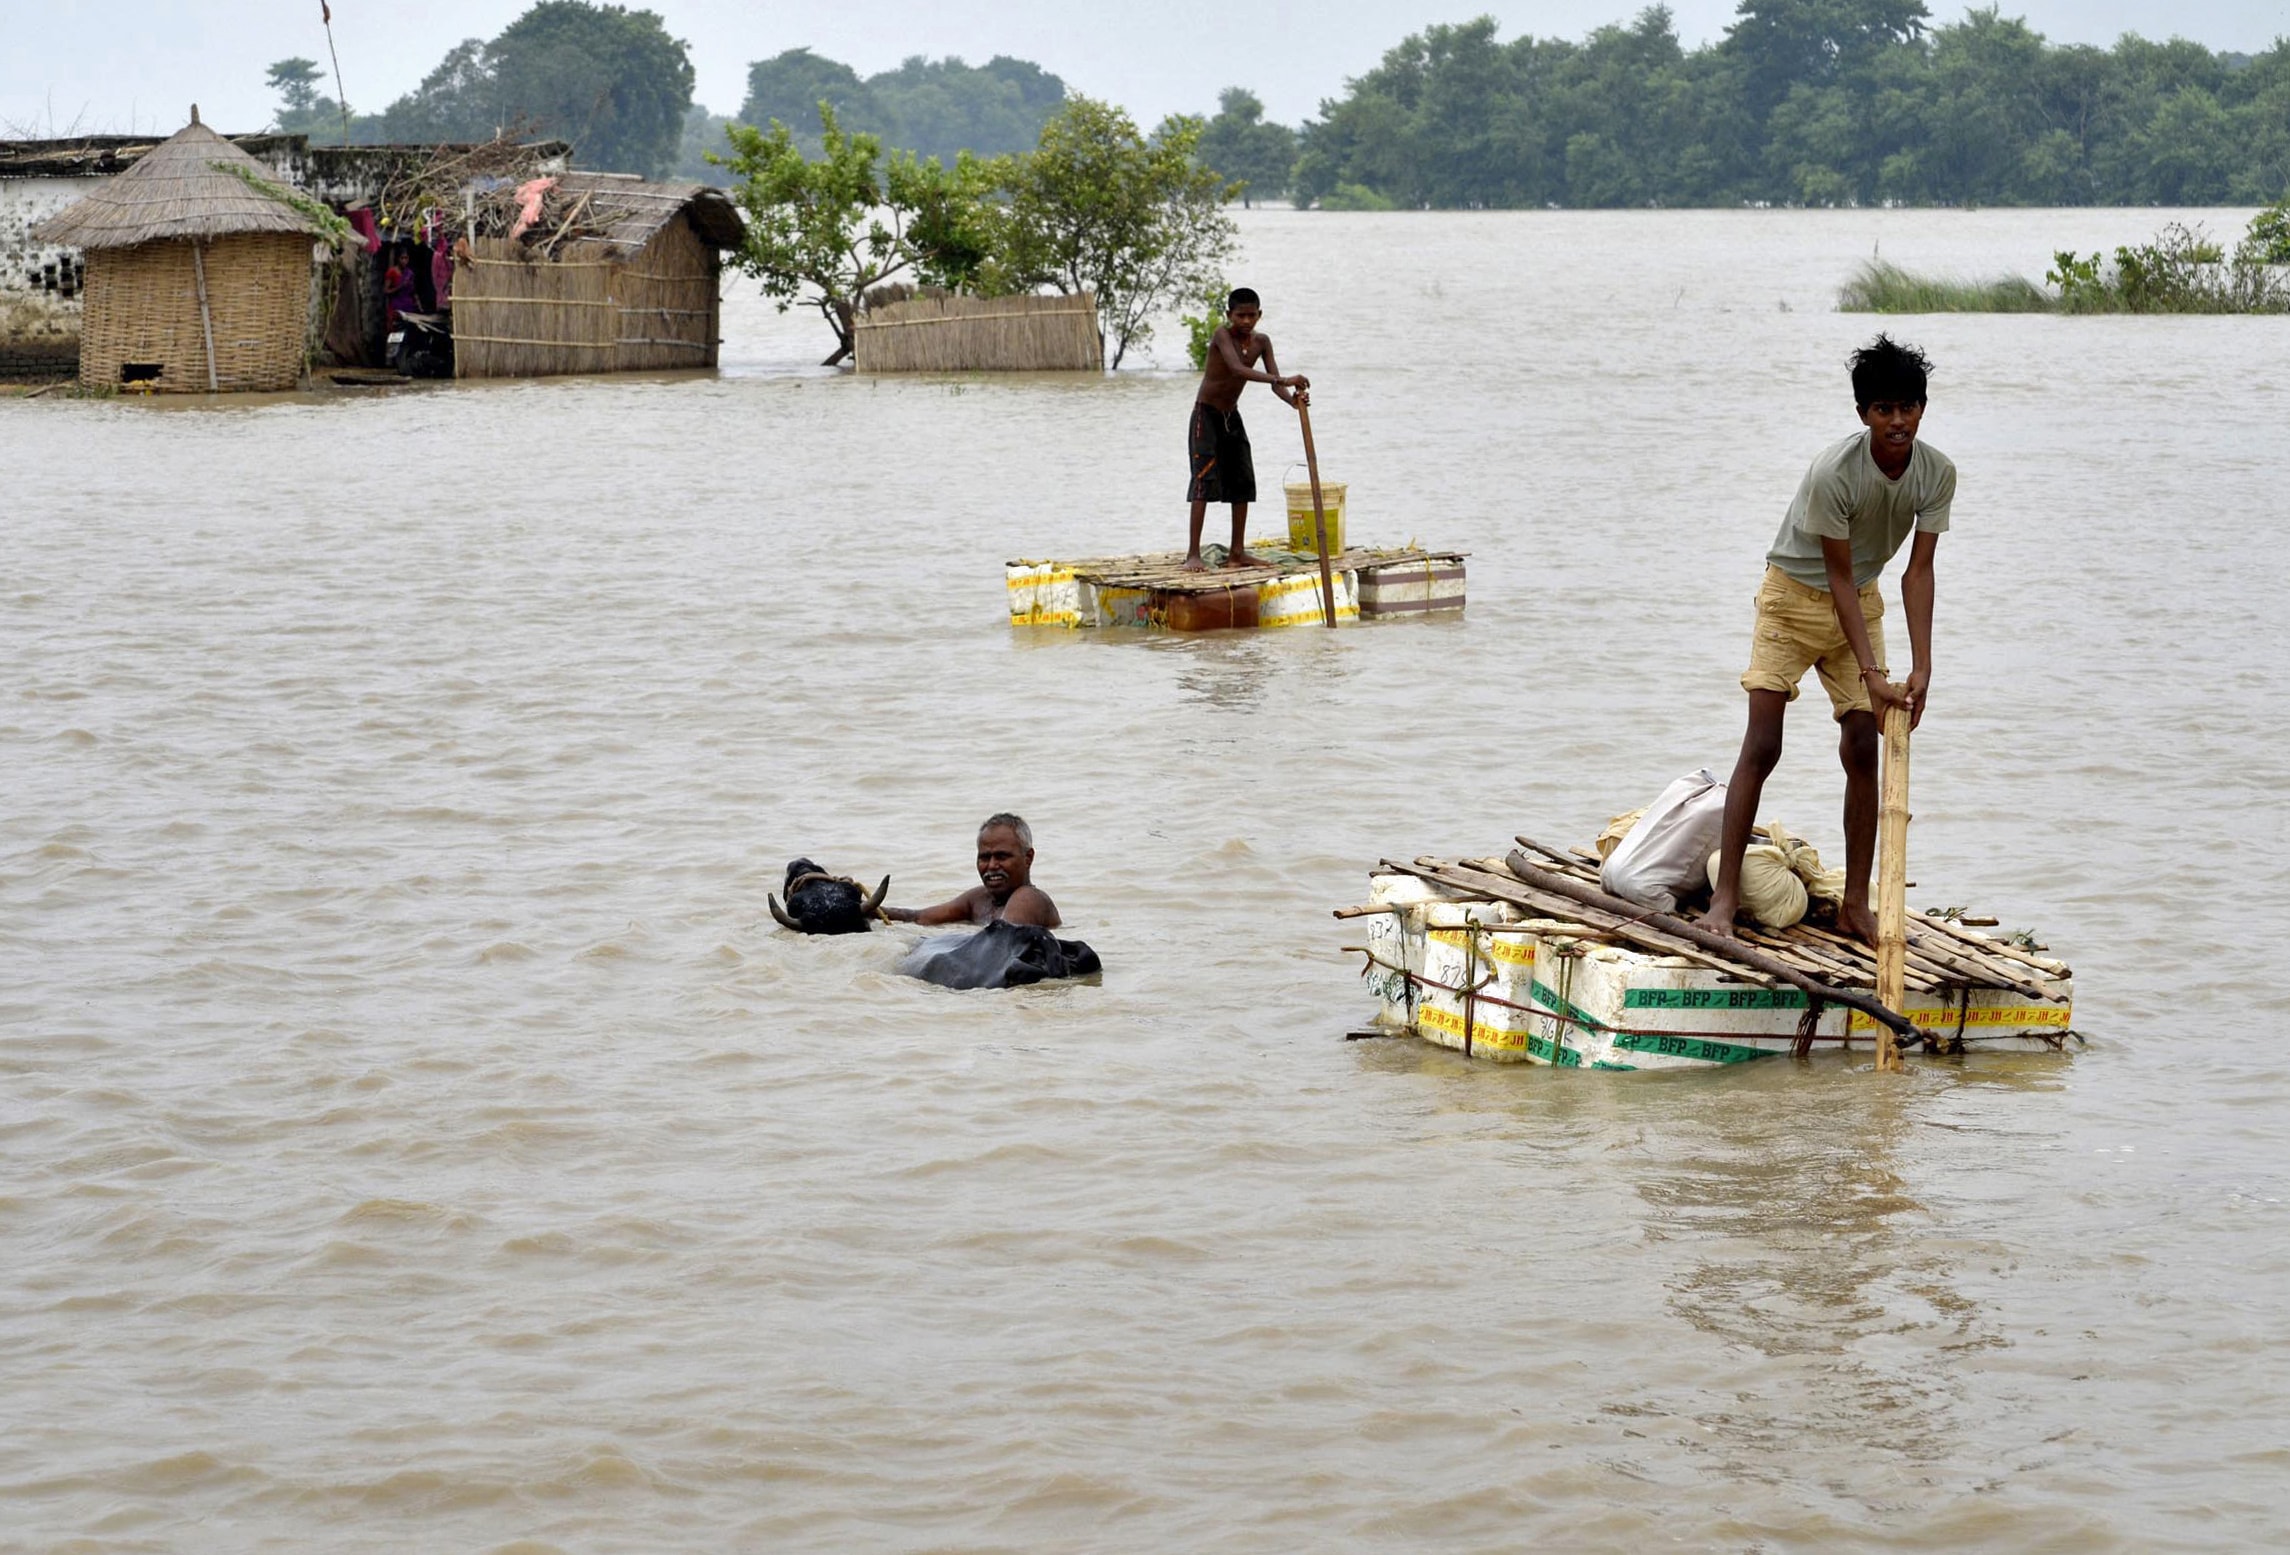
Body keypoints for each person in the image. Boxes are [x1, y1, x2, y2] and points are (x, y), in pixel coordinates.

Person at [1703, 335, 1952, 945]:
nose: (1897, 422)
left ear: (1922, 408)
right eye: (1884, 410)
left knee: (1863, 747)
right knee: (1763, 745)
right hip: (1792, 597)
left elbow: (1917, 572)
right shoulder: (1833, 473)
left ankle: (1855, 906)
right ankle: (1725, 899)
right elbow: (1833, 574)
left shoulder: (1936, 473)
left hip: (1860, 601)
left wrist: (1921, 668)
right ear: (1864, 414)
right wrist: (1872, 673)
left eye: (1908, 408)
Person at [1181, 287, 1310, 572]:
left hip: (1231, 416)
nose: (1246, 321)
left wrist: (1293, 402)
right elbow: (1238, 369)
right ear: (1229, 315)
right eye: (1240, 315)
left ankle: (1237, 553)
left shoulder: (1262, 342)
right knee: (1203, 481)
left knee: (1242, 480)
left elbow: (1276, 385)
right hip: (1206, 416)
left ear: (1259, 315)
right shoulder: (1221, 335)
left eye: (1252, 315)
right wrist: (1286, 378)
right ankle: (1193, 554)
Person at [883, 814, 1061, 928]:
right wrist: (868, 908)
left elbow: (1002, 940)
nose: (991, 866)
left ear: (1028, 858)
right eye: (985, 857)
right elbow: (918, 918)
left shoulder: (1029, 898)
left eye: (1002, 856)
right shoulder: (978, 899)